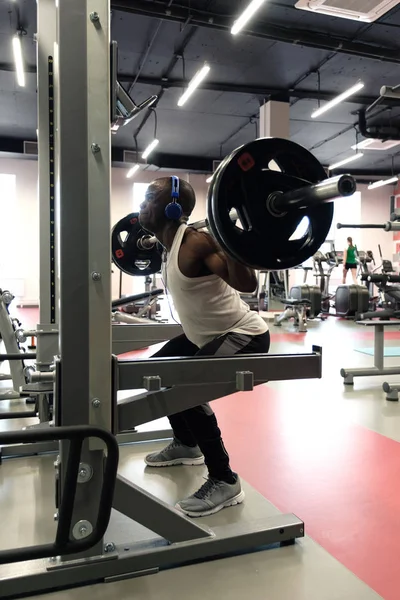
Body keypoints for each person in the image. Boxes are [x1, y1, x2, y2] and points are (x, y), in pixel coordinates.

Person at [139, 176, 270, 518]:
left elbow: (247, 283)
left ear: (170, 206)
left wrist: (230, 238)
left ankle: (224, 480)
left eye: (149, 197)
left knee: (187, 388)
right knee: (157, 369)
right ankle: (186, 443)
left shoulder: (196, 244)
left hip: (244, 335)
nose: (142, 203)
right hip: (206, 337)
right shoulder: (168, 243)